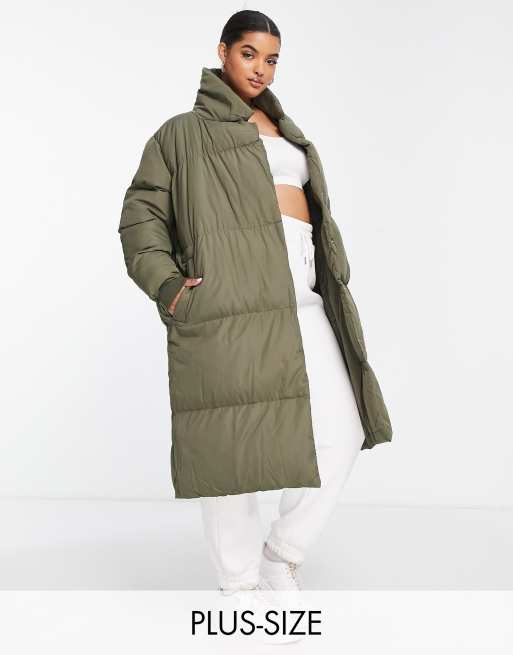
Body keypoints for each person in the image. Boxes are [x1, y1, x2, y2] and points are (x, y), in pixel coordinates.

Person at [118, 10, 392, 610]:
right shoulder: (181, 134)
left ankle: (280, 556)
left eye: (271, 59)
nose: (261, 69)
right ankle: (239, 587)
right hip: (229, 302)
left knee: (344, 430)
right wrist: (171, 288)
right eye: (249, 54)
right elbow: (140, 218)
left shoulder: (286, 128)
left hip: (303, 297)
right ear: (222, 52)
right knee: (230, 448)